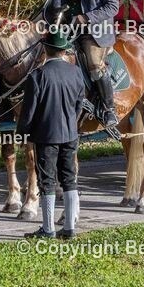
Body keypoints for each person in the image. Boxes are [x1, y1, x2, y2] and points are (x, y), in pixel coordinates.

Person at [18, 29, 87, 239]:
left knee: (46, 181)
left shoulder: (37, 76)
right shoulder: (76, 72)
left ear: (45, 49)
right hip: (70, 133)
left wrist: (23, 133)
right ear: (63, 51)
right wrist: (69, 123)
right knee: (69, 178)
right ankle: (69, 228)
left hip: (45, 136)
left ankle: (48, 229)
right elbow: (79, 104)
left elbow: (28, 111)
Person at [59, 0, 120, 129]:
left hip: (95, 32)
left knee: (94, 65)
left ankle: (109, 108)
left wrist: (86, 18)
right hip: (69, 29)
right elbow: (62, 2)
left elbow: (113, 7)